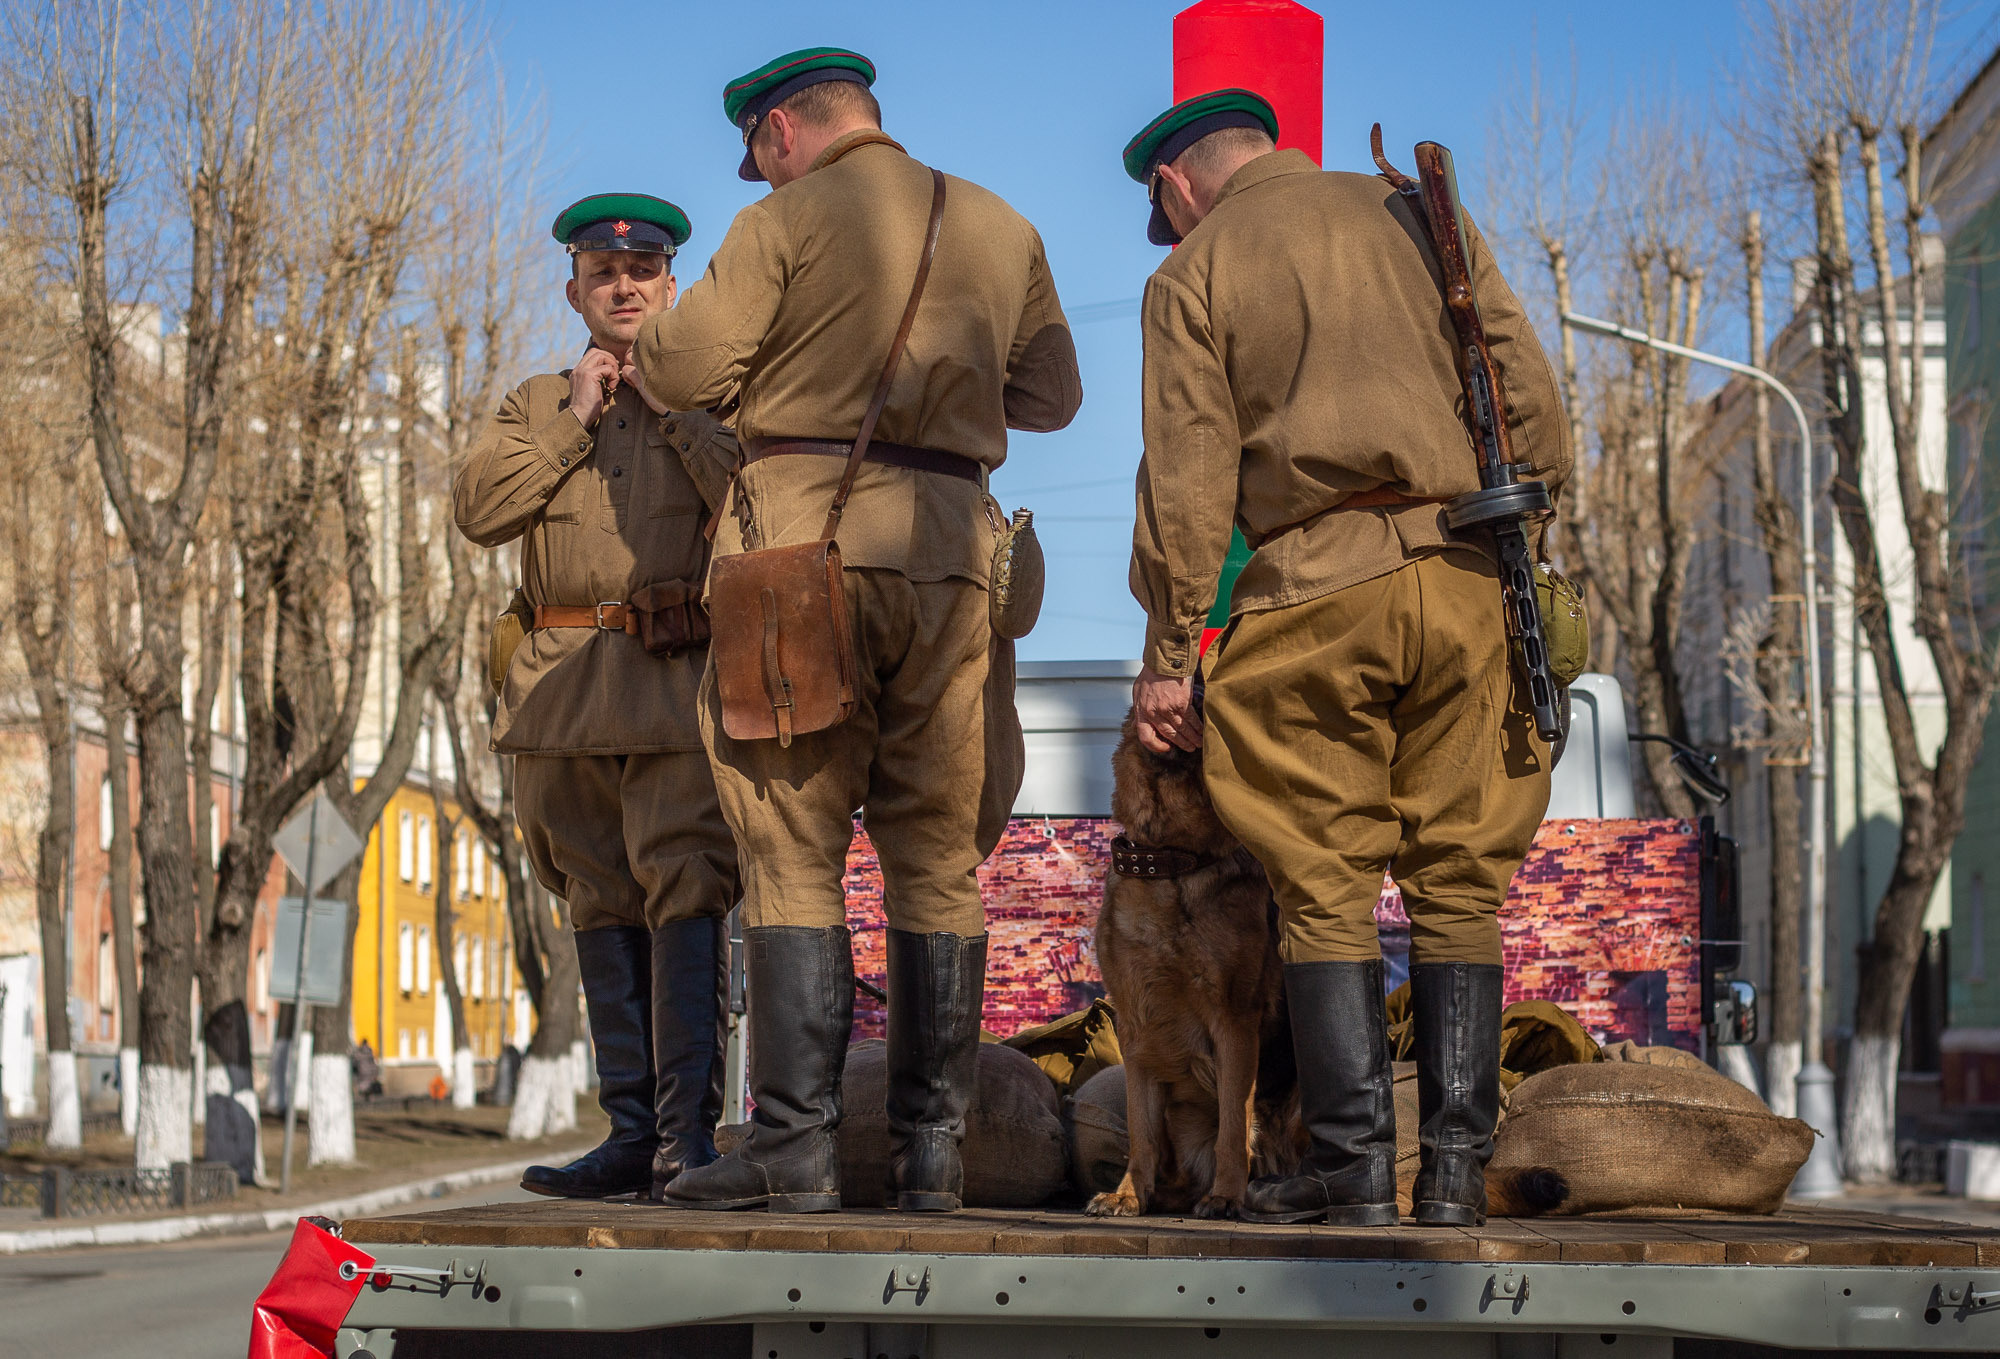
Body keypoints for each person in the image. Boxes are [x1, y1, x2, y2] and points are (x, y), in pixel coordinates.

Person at [626, 47, 1081, 1214]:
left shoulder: (779, 222)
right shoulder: (1001, 223)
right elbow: (1052, 398)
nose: (758, 170)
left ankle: (795, 1154)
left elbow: (678, 363)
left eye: (756, 152)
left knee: (788, 852)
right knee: (935, 857)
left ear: (781, 131)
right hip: (950, 562)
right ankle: (933, 1156)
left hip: (800, 559)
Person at [1121, 90, 1571, 1226]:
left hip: (1313, 592)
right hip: (1469, 571)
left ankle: (1354, 1173)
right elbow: (1534, 407)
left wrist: (1172, 649)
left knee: (1320, 888)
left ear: (1175, 188)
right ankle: (1455, 1180)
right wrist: (1516, 542)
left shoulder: (1192, 272)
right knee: (1460, 886)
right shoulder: (1417, 214)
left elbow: (1187, 482)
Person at [454, 194, 742, 1202]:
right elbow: (481, 511)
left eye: (644, 270)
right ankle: (627, 1137)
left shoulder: (718, 397)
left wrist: (676, 412)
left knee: (687, 892)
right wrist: (577, 418)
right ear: (574, 289)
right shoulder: (535, 403)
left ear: (672, 284)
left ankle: (685, 1145)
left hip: (673, 692)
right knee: (595, 901)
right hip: (557, 699)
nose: (624, 286)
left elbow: (758, 504)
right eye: (603, 273)